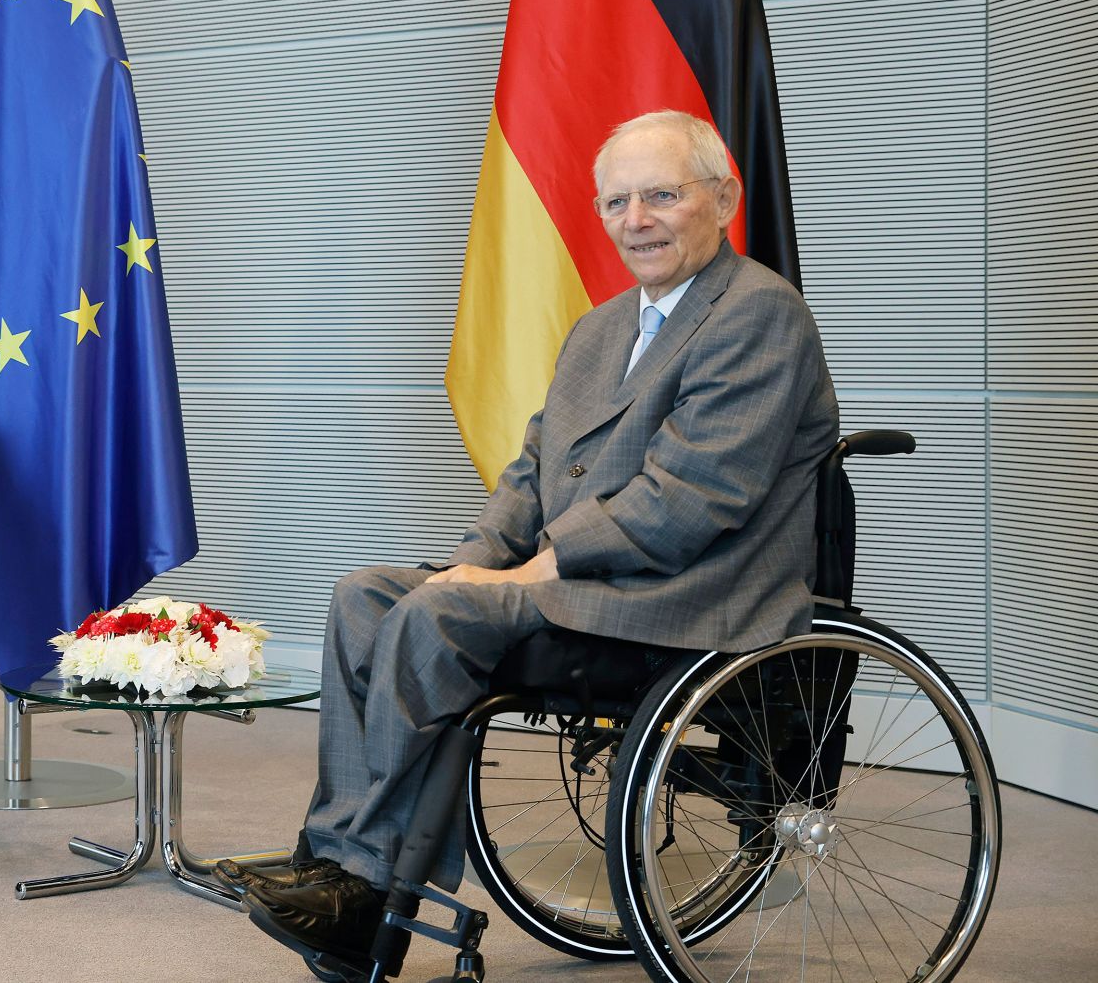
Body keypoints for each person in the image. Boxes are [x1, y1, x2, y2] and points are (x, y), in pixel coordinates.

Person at [229, 110, 838, 970]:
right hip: (587, 583)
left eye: (662, 195)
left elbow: (689, 500)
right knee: (366, 596)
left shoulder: (758, 315)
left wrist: (533, 569)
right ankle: (333, 863)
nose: (638, 220)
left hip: (690, 597)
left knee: (436, 622)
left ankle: (364, 887)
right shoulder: (601, 328)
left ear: (724, 198)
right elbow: (532, 470)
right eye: (618, 201)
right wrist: (476, 560)